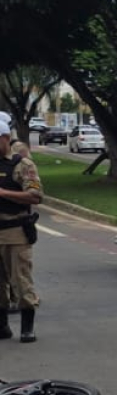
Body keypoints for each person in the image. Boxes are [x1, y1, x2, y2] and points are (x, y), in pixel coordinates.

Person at [0, 112, 42, 343]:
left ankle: (27, 327)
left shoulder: (21, 165)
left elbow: (35, 196)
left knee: (21, 280)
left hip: (15, 232)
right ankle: (2, 326)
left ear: (5, 138)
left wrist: (4, 193)